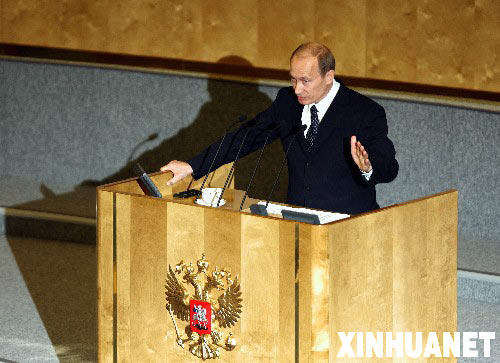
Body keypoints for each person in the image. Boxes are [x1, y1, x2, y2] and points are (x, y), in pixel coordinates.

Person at [160, 42, 398, 215]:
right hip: (296, 220)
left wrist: (368, 167)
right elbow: (247, 137)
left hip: (346, 224)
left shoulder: (364, 111)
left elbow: (389, 167)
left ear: (329, 76)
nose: (297, 89)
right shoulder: (287, 102)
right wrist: (192, 165)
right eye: (293, 79)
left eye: (306, 81)